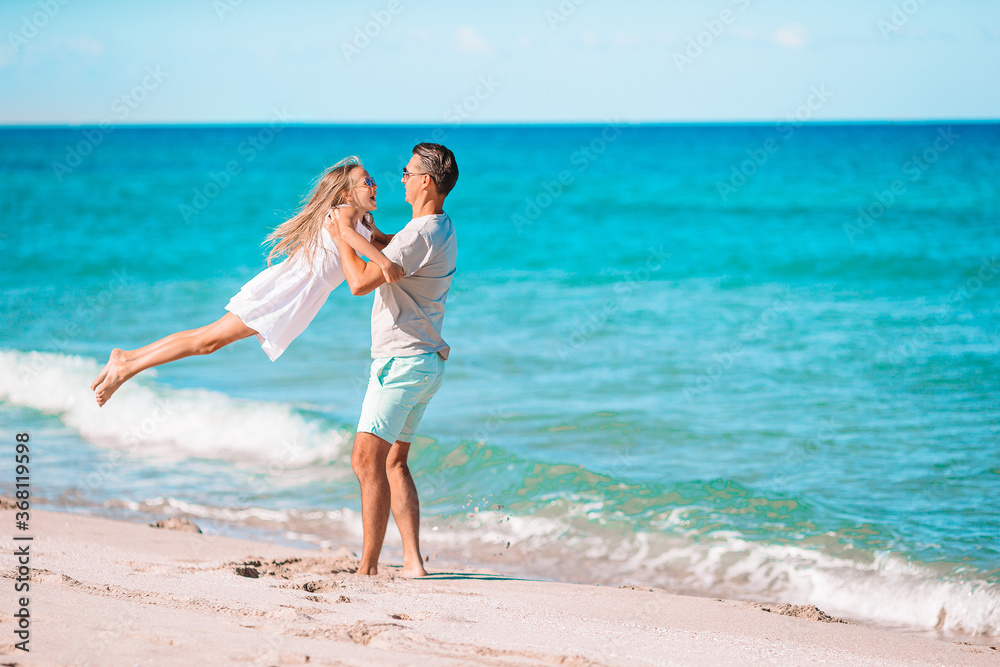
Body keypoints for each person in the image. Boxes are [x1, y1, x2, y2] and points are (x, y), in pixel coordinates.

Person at [90, 156, 403, 407]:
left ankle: (126, 359)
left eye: (373, 180)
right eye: (367, 182)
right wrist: (384, 263)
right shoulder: (344, 213)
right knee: (207, 342)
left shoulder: (364, 221)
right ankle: (127, 364)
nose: (375, 185)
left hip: (297, 294)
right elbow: (350, 238)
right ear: (347, 193)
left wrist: (414, 240)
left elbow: (385, 240)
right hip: (284, 290)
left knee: (206, 339)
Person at [331, 142, 458, 577]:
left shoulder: (419, 234)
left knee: (365, 461)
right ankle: (412, 563)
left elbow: (359, 283)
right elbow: (392, 245)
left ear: (426, 181)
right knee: (394, 462)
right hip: (425, 362)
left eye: (407, 172)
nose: (400, 178)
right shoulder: (437, 226)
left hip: (401, 363)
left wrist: (342, 235)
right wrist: (366, 231)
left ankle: (366, 569)